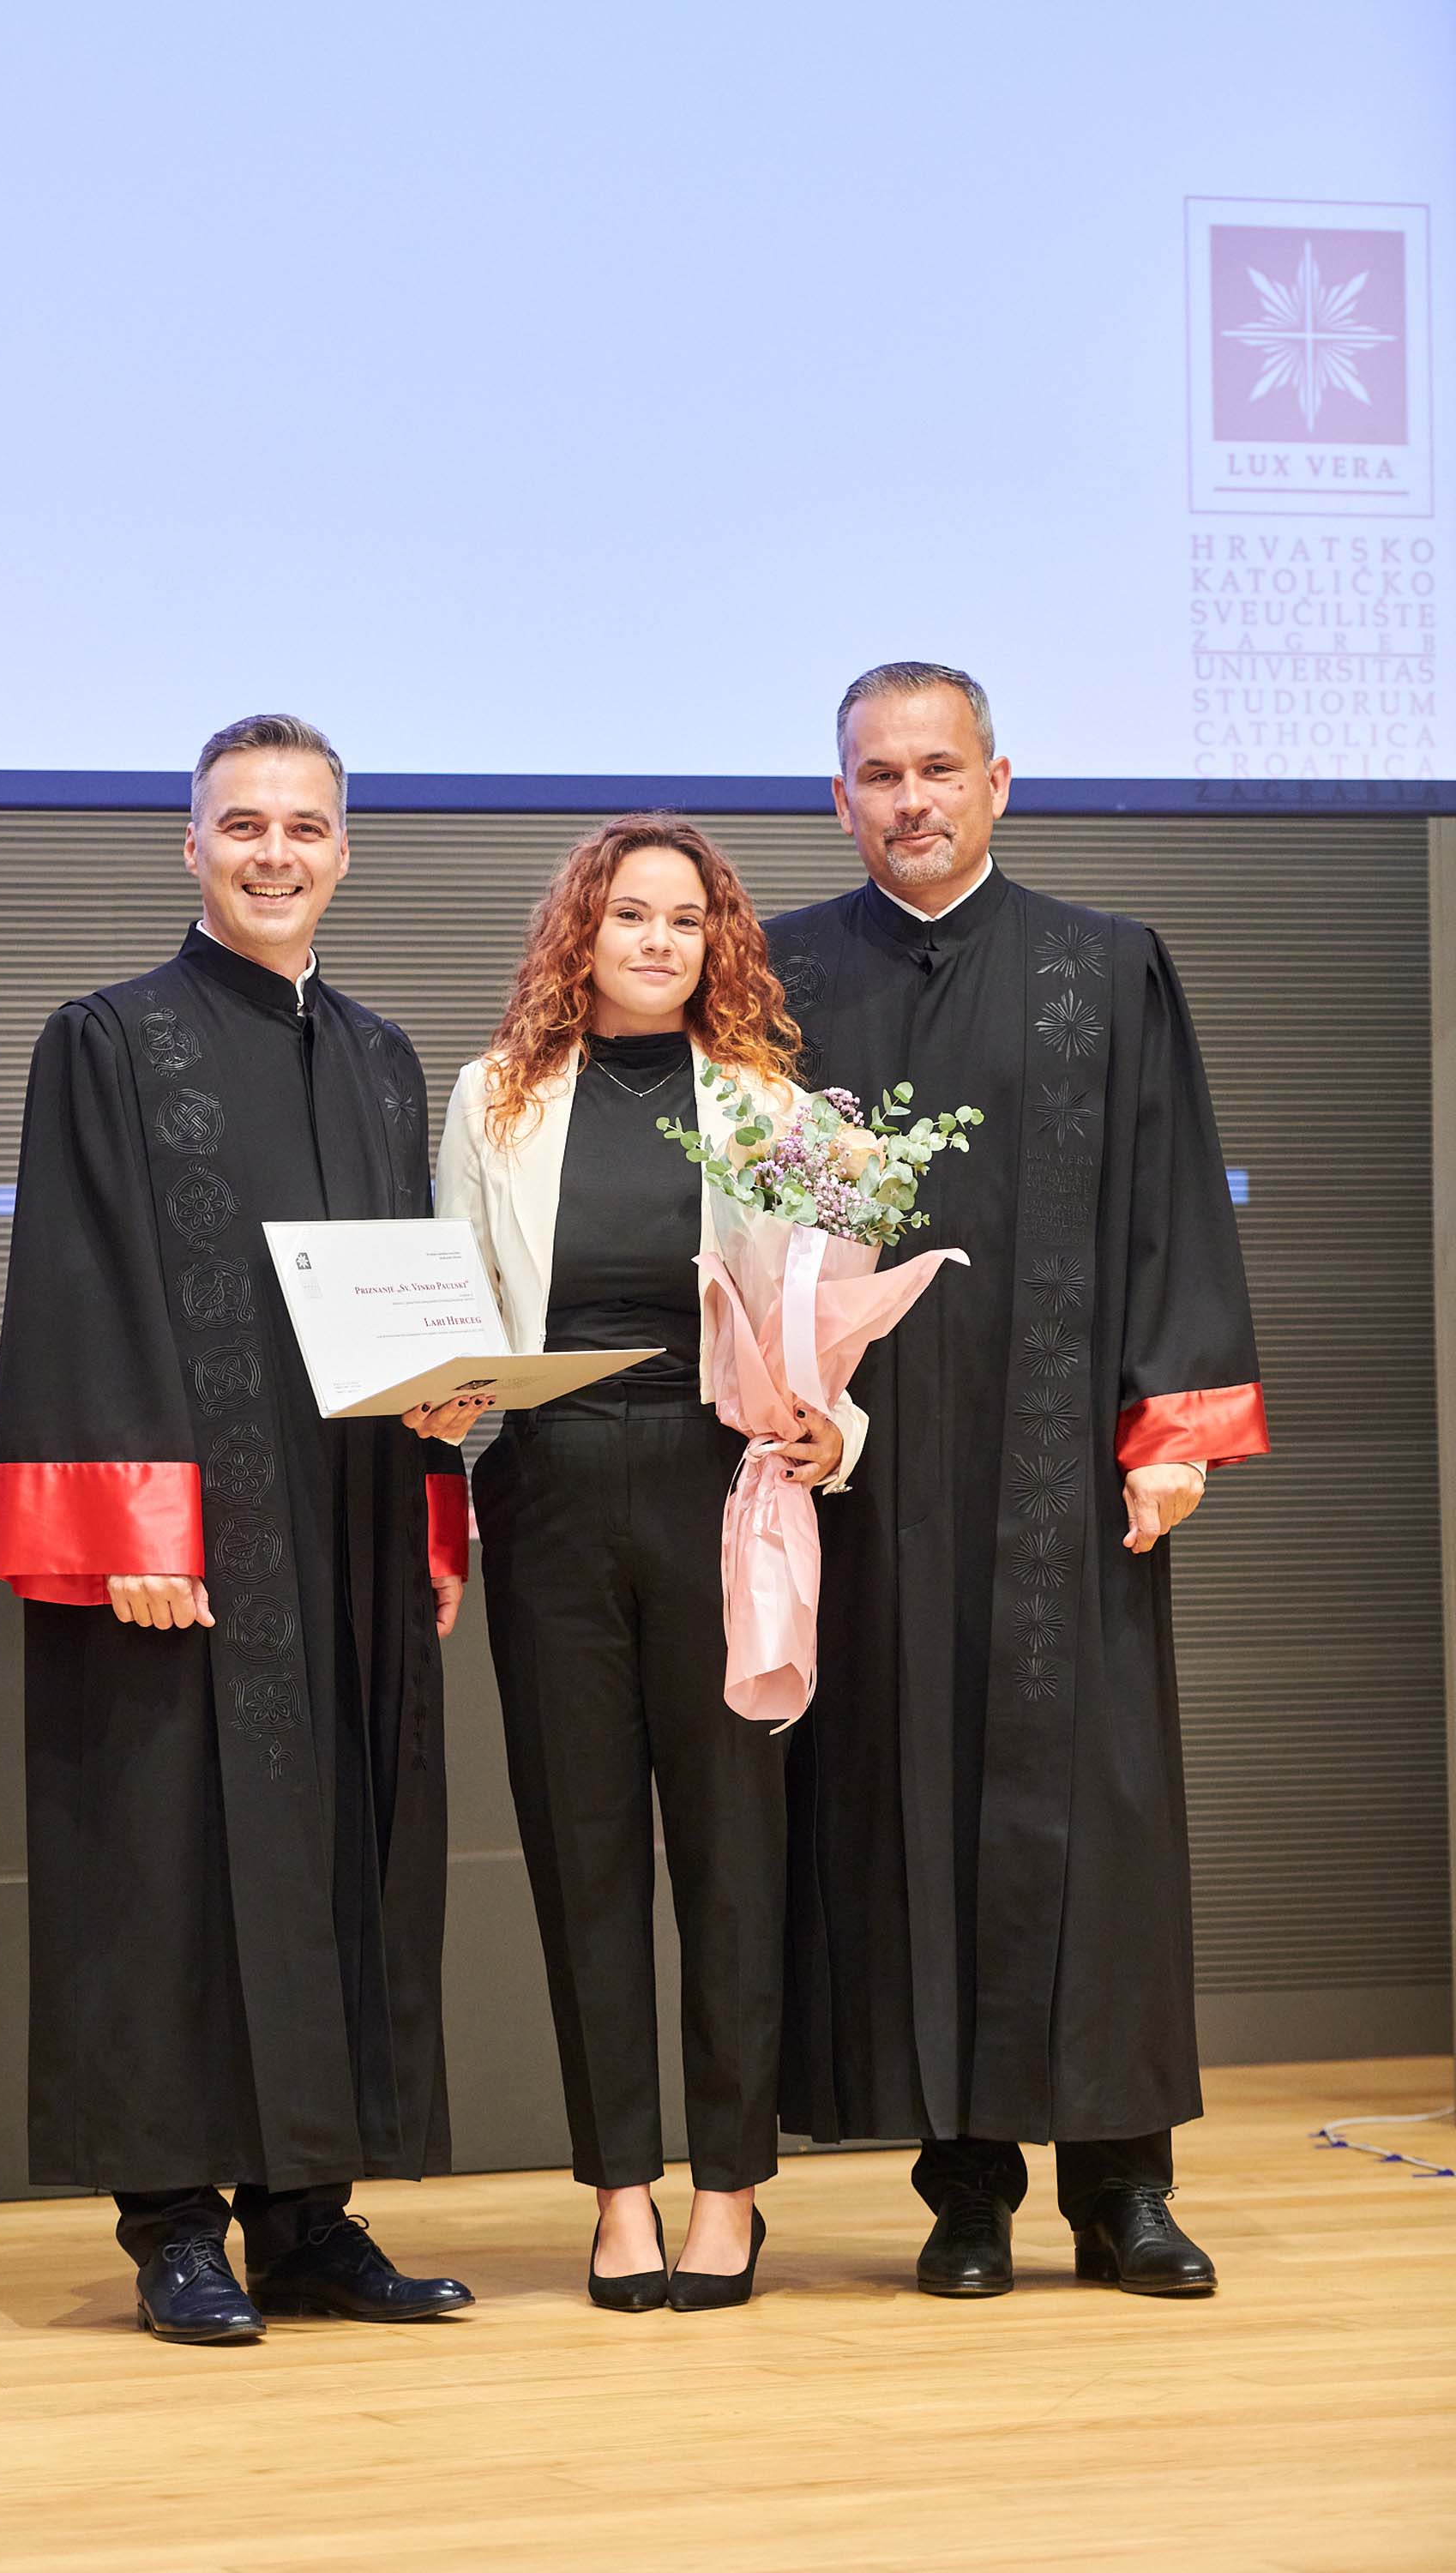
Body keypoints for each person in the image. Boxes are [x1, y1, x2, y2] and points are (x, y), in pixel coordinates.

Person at [0, 714, 481, 2343]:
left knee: (337, 1849)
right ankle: (175, 2224)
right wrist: (130, 1522)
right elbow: (76, 1287)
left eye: (305, 827)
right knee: (167, 1862)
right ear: (189, 844)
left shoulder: (384, 1058)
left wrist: (437, 1484)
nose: (276, 853)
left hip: (343, 1527)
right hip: (185, 1541)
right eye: (243, 825)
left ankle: (308, 2220)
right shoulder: (107, 1042)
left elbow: (404, 1304)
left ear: (345, 852)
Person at [765, 663, 1268, 2298]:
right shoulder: (781, 976)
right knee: (908, 1809)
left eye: (938, 768)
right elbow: (742, 1222)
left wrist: (1173, 1424)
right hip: (873, 1470)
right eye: (879, 774)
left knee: (1099, 1818)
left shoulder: (1105, 968)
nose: (910, 799)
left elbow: (1173, 1201)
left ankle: (1125, 2189)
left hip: (1064, 1471)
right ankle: (965, 2189)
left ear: (998, 782)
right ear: (840, 798)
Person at [424, 815, 863, 2311]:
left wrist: (836, 1430)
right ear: (583, 934)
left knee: (736, 1853)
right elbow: (455, 1303)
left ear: (716, 941)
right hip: (546, 1492)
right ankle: (620, 2191)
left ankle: (729, 2190)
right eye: (630, 915)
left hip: (717, 1491)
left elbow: (821, 1330)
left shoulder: (769, 1104)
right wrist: (440, 1395)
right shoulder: (494, 1094)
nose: (660, 940)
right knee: (583, 1852)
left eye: (687, 918)